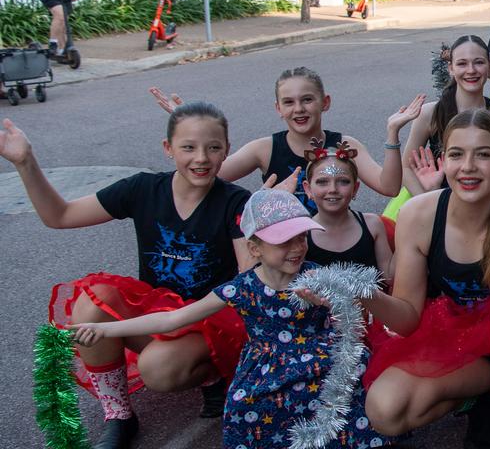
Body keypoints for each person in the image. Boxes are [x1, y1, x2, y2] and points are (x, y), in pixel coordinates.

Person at [0, 104, 251, 448]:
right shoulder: (142, 189)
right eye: (188, 147)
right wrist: (25, 163)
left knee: (158, 369)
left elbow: (246, 283)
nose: (201, 158)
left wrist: (265, 225)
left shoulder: (236, 201)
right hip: (158, 308)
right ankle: (118, 414)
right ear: (168, 149)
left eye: (213, 147)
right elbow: (59, 215)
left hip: (210, 316)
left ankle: (212, 377)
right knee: (90, 303)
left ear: (226, 149)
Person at [70, 189, 387, 449]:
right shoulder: (242, 287)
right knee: (241, 404)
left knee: (344, 389)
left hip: (322, 358)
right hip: (268, 364)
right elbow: (173, 320)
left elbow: (357, 321)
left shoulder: (317, 275)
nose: (297, 248)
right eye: (283, 241)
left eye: (302, 237)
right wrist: (104, 328)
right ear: (255, 248)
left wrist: (334, 300)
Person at [360, 109, 490, 449]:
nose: (468, 166)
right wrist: (365, 294)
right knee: (385, 410)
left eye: (483, 154)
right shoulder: (418, 214)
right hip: (458, 339)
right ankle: (477, 394)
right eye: (456, 154)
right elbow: (408, 318)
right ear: (444, 160)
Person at [167, 67, 423, 211]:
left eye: (307, 100)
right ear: (278, 109)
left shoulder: (345, 145)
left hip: (334, 246)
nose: (298, 109)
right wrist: (193, 127)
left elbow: (388, 187)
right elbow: (204, 175)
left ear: (325, 103)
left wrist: (393, 134)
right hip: (281, 254)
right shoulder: (264, 149)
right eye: (289, 102)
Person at [398, 36, 490, 207]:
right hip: (436, 200)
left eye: (478, 62)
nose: (471, 70)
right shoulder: (430, 114)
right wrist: (430, 204)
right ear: (451, 68)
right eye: (462, 64)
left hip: (487, 204)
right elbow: (405, 168)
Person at [302, 138, 395, 277]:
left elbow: (389, 277)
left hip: (373, 299)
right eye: (322, 182)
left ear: (355, 188)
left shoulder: (372, 225)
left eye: (343, 182)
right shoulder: (302, 235)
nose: (333, 189)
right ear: (308, 189)